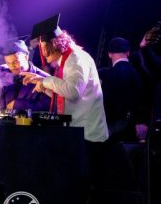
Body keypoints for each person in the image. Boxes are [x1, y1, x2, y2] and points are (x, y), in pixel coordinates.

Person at [21, 15, 108, 143]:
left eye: (44, 48)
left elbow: (73, 92)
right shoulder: (65, 60)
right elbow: (63, 96)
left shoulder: (76, 58)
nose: (43, 53)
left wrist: (45, 81)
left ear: (54, 44)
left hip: (88, 135)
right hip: (76, 131)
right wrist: (42, 84)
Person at [98, 37, 146, 143]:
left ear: (109, 54)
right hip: (132, 126)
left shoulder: (105, 74)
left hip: (111, 127)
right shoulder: (138, 73)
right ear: (128, 53)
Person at [0, 39, 51, 113]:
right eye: (8, 63)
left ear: (26, 57)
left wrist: (17, 104)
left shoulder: (44, 78)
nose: (12, 67)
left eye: (15, 62)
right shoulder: (2, 71)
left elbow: (47, 107)